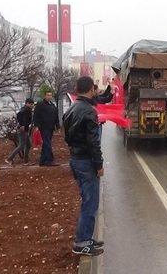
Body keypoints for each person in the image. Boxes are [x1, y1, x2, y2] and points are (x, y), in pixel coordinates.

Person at [63, 76, 104, 257]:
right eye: (94, 89)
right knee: (90, 202)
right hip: (87, 162)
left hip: (76, 159)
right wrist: (99, 164)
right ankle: (82, 243)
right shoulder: (89, 111)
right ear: (90, 90)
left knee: (87, 199)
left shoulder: (71, 109)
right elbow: (93, 142)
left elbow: (67, 137)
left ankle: (86, 238)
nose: (96, 92)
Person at [33, 91, 60, 166]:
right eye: (48, 95)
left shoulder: (52, 105)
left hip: (51, 127)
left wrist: (57, 126)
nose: (49, 96)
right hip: (43, 127)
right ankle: (49, 160)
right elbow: (36, 115)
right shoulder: (41, 104)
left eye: (50, 95)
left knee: (46, 144)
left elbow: (56, 116)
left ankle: (42, 160)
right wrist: (37, 126)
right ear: (45, 96)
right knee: (47, 143)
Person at [6, 98, 35, 165]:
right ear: (27, 103)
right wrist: (23, 125)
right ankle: (9, 159)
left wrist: (21, 124)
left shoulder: (24, 109)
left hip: (23, 129)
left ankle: (26, 161)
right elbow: (25, 119)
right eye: (30, 104)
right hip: (22, 130)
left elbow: (19, 116)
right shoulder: (26, 110)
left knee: (28, 145)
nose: (32, 105)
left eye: (32, 104)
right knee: (21, 145)